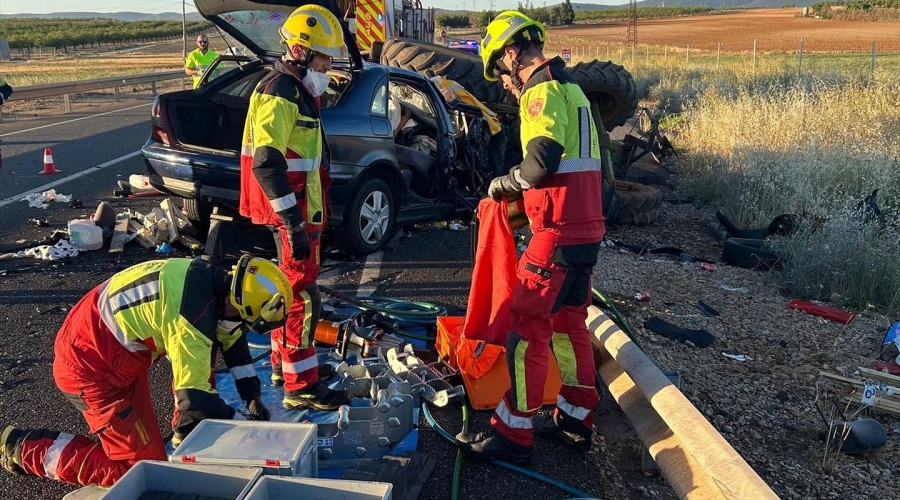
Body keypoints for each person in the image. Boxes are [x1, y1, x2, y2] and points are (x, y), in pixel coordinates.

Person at [455, 11, 606, 464]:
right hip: (586, 232)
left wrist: (506, 183)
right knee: (570, 325)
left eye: (501, 71)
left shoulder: (539, 91)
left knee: (527, 330)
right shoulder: (574, 89)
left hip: (556, 234)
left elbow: (541, 162)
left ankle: (514, 430)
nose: (505, 82)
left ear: (510, 53)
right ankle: (576, 419)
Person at [0, 256, 291, 487]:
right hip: (88, 368)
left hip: (114, 352)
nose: (240, 325)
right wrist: (245, 425)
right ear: (236, 302)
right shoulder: (192, 321)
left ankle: (184, 432)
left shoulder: (212, 282)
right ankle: (23, 448)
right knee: (140, 471)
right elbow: (197, 398)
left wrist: (252, 394)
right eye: (244, 318)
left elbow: (231, 339)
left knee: (200, 366)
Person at [239, 4, 350, 411]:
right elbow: (268, 161)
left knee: (287, 291)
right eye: (324, 57)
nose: (329, 65)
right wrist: (292, 221)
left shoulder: (296, 89)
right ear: (301, 52)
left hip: (299, 211)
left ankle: (281, 365)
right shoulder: (281, 91)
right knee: (301, 298)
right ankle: (300, 385)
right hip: (292, 213)